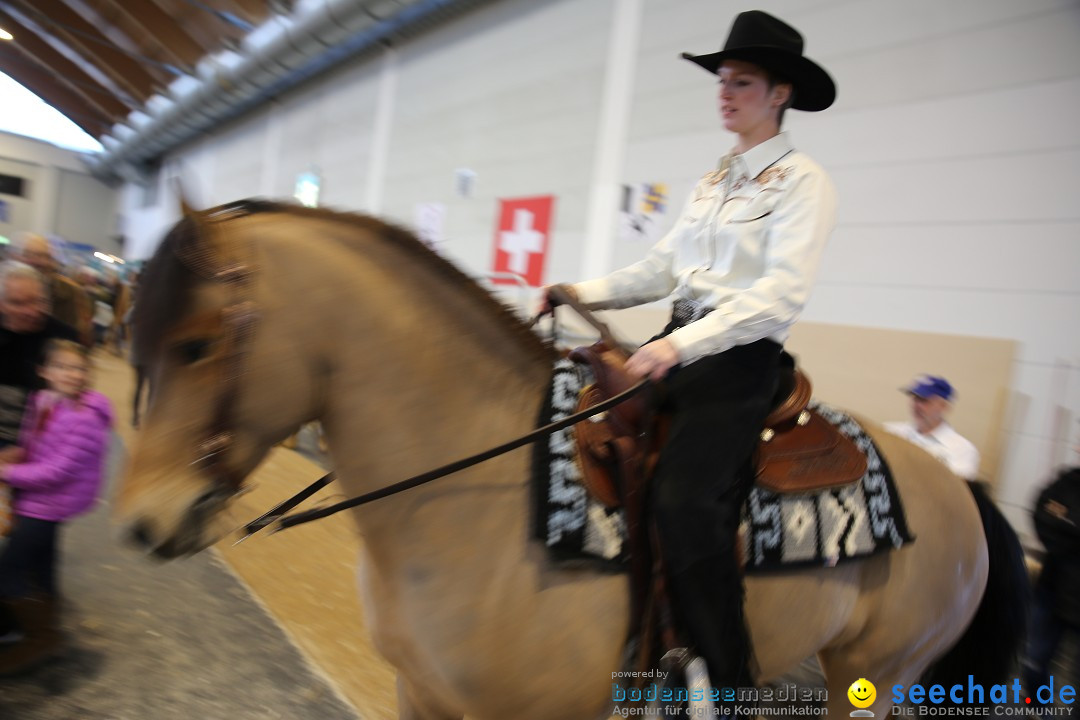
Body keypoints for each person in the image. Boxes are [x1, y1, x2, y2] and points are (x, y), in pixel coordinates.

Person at [542, 10, 837, 690]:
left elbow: (778, 296)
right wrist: (577, 290)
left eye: (742, 81)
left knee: (684, 500)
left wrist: (675, 346)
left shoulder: (803, 182)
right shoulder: (714, 181)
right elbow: (659, 269)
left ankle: (724, 682)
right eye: (723, 81)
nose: (725, 93)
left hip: (738, 362)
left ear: (780, 93)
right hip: (677, 346)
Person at [0, 339, 114, 674]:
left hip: (50, 502)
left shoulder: (85, 418)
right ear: (44, 371)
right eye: (62, 366)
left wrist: (5, 472)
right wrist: (15, 456)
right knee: (41, 564)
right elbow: (34, 446)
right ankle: (41, 626)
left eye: (78, 367)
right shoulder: (42, 399)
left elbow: (57, 470)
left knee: (8, 573)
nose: (71, 373)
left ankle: (42, 637)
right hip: (36, 498)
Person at [0, 262, 80, 448]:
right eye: (18, 303)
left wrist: (26, 449)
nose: (31, 311)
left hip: (39, 443)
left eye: (37, 301)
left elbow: (75, 402)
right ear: (1, 304)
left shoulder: (64, 338)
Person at [884, 375, 980, 479]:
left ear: (944, 406)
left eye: (924, 400)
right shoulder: (890, 432)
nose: (916, 405)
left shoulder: (962, 449)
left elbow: (956, 491)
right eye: (915, 399)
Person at [15, 234, 91, 346]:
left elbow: (81, 335)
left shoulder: (71, 292)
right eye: (30, 255)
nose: (39, 261)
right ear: (17, 258)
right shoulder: (5, 287)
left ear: (53, 262)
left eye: (45, 256)